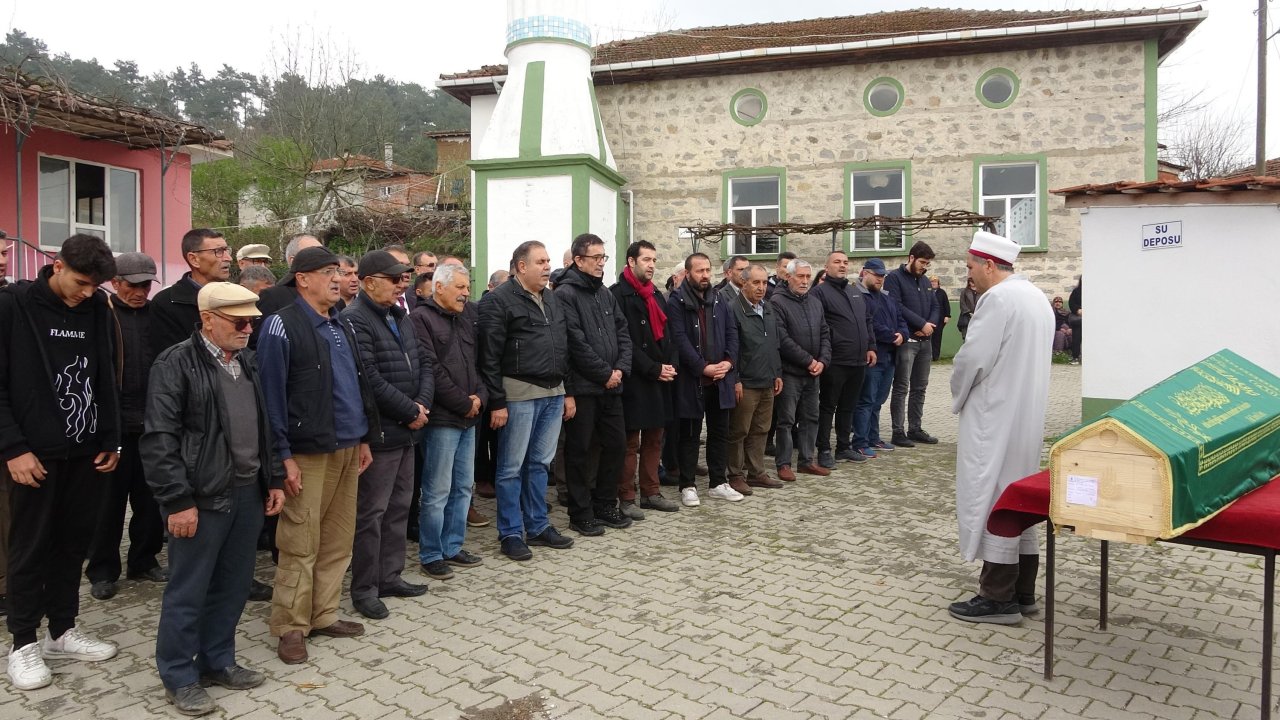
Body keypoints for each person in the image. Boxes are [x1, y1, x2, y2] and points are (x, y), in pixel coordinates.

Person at [141, 282, 285, 716]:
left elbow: (264, 426)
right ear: (207, 319)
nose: (248, 329)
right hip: (200, 497)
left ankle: (218, 660)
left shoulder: (248, 362)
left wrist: (273, 479)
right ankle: (179, 676)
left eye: (251, 322)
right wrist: (176, 501)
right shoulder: (175, 363)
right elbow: (160, 439)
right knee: (189, 589)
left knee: (234, 584)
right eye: (238, 322)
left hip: (247, 491)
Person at [0, 234, 120, 691]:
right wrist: (13, 448)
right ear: (57, 266)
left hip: (86, 452)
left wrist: (111, 439)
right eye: (81, 283)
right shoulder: (13, 305)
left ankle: (62, 631)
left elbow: (106, 374)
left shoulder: (97, 308)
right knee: (29, 547)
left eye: (95, 286)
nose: (87, 292)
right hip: (33, 455)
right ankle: (22, 643)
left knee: (72, 544)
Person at [257, 246, 375, 664]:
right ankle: (290, 626)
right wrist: (282, 456)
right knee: (299, 542)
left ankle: (323, 614)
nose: (338, 279)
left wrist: (363, 437)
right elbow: (270, 398)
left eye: (338, 272)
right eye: (328, 272)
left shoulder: (340, 323)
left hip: (347, 447)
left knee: (337, 540)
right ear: (302, 279)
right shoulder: (281, 325)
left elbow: (356, 386)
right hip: (306, 453)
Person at [948, 231, 1054, 625]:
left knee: (990, 493)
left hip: (993, 416)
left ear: (989, 265)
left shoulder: (997, 299)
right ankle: (1022, 591)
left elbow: (972, 359)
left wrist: (957, 392)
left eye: (970, 267)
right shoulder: (1037, 298)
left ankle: (997, 598)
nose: (969, 275)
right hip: (1026, 415)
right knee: (1016, 498)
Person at [341, 250, 432, 619]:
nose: (400, 285)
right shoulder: (354, 319)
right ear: (368, 282)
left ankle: (390, 576)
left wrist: (422, 405)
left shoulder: (400, 315)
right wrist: (410, 411)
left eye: (402, 279)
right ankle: (364, 588)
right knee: (372, 514)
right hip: (382, 433)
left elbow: (424, 363)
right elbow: (369, 378)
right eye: (393, 279)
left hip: (408, 431)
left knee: (399, 508)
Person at [477, 241, 575, 561]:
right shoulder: (499, 300)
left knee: (539, 465)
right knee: (510, 468)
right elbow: (489, 356)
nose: (547, 267)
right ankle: (510, 532)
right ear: (521, 266)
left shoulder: (552, 298)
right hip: (518, 395)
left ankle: (538, 525)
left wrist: (567, 391)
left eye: (548, 261)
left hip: (553, 393)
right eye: (540, 262)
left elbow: (563, 346)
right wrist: (497, 402)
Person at [86, 253, 165, 602]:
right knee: (108, 504)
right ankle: (102, 571)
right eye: (134, 285)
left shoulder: (156, 315)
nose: (141, 292)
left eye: (146, 285)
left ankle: (144, 560)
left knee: (149, 500)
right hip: (113, 426)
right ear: (115, 283)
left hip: (151, 423)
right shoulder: (101, 314)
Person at [555, 234, 634, 536]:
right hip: (584, 387)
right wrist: (604, 373)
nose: (601, 263)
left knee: (616, 445)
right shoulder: (565, 294)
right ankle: (580, 512)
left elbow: (622, 332)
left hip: (612, 386)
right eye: (596, 258)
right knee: (580, 450)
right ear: (578, 260)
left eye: (604, 257)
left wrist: (620, 369)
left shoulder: (604, 293)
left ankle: (604, 504)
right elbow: (574, 342)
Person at [412, 264, 488, 579]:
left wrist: (480, 397)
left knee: (463, 487)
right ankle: (431, 554)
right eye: (460, 287)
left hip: (469, 418)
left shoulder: (467, 316)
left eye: (467, 287)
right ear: (439, 287)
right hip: (443, 419)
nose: (466, 293)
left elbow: (478, 362)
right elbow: (430, 368)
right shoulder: (420, 319)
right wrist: (463, 403)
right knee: (437, 490)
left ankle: (452, 546)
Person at [667, 252, 740, 506]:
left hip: (720, 380)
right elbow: (679, 339)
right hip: (692, 380)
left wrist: (728, 362)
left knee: (720, 433)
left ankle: (718, 482)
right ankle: (687, 485)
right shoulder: (676, 301)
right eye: (699, 271)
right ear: (687, 273)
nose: (705, 275)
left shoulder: (719, 299)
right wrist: (702, 368)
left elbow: (732, 333)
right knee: (690, 435)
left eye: (708, 270)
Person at [611, 241, 680, 514]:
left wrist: (670, 365)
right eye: (646, 260)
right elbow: (623, 341)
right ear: (631, 261)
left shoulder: (655, 294)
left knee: (655, 438)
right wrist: (653, 368)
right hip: (635, 379)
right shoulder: (617, 295)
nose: (651, 265)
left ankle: (651, 492)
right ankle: (626, 497)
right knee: (630, 443)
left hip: (659, 378)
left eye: (654, 260)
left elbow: (668, 334)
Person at [810, 250, 876, 467]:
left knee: (848, 406)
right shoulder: (819, 293)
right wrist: (827, 351)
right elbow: (818, 326)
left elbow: (867, 321)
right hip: (835, 361)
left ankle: (843, 447)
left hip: (858, 361)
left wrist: (870, 347)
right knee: (828, 406)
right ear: (826, 267)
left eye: (845, 262)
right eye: (837, 262)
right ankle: (824, 449)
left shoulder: (854, 291)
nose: (842, 265)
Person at [770, 259, 831, 480]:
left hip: (813, 373)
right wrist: (808, 361)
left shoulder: (814, 301)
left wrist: (823, 360)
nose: (805, 281)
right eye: (800, 276)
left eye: (808, 276)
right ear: (789, 277)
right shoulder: (777, 302)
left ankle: (806, 461)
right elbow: (782, 339)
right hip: (790, 372)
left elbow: (825, 332)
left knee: (811, 417)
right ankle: (783, 464)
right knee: (786, 420)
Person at [726, 265, 783, 493]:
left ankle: (757, 472)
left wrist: (777, 373)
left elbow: (774, 344)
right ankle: (735, 474)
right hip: (746, 382)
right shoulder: (733, 309)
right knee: (739, 431)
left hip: (767, 379)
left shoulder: (767, 308)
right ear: (743, 283)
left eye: (764, 283)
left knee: (761, 429)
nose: (761, 288)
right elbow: (731, 348)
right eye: (756, 282)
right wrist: (735, 379)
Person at [884, 241, 940, 447]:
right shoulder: (894, 278)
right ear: (911, 258)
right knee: (901, 387)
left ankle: (915, 428)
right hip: (907, 341)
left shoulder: (925, 281)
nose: (925, 267)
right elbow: (896, 306)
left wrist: (929, 325)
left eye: (927, 263)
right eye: (922, 262)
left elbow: (935, 305)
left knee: (920, 387)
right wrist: (920, 324)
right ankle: (898, 431)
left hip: (925, 341)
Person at [852, 259, 907, 458]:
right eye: (876, 275)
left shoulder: (887, 297)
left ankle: (873, 437)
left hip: (890, 357)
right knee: (866, 400)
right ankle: (860, 441)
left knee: (878, 401)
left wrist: (903, 334)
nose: (880, 279)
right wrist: (893, 336)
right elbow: (871, 325)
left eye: (882, 276)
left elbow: (900, 319)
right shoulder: (858, 296)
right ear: (865, 273)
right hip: (873, 357)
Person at [150, 229, 232, 357]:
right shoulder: (166, 303)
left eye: (227, 250)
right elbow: (171, 359)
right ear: (194, 259)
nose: (229, 258)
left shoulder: (238, 297)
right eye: (218, 251)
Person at [251, 233, 323, 349]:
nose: (323, 259)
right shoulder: (272, 297)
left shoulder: (331, 297)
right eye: (313, 255)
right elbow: (259, 343)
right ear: (293, 261)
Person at [929, 276, 951, 362]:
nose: (933, 283)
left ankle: (936, 357)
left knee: (937, 338)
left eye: (935, 282)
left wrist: (947, 316)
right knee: (929, 338)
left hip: (940, 319)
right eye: (932, 282)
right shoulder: (927, 292)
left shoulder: (942, 293)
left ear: (938, 283)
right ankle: (928, 356)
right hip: (929, 319)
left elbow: (946, 305)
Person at [1067, 277, 1083, 364]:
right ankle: (1075, 357)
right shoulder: (1076, 291)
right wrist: (1077, 310)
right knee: (1076, 338)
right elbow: (1071, 303)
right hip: (1079, 319)